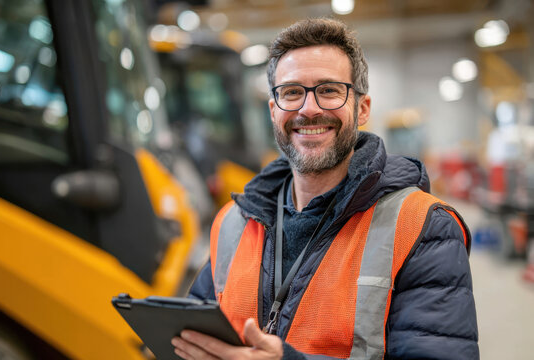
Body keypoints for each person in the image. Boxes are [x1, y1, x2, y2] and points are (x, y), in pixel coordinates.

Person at [172, 18, 479, 359]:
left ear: (361, 109)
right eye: (291, 93)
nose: (308, 109)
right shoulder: (233, 222)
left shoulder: (422, 226)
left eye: (329, 90)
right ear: (274, 111)